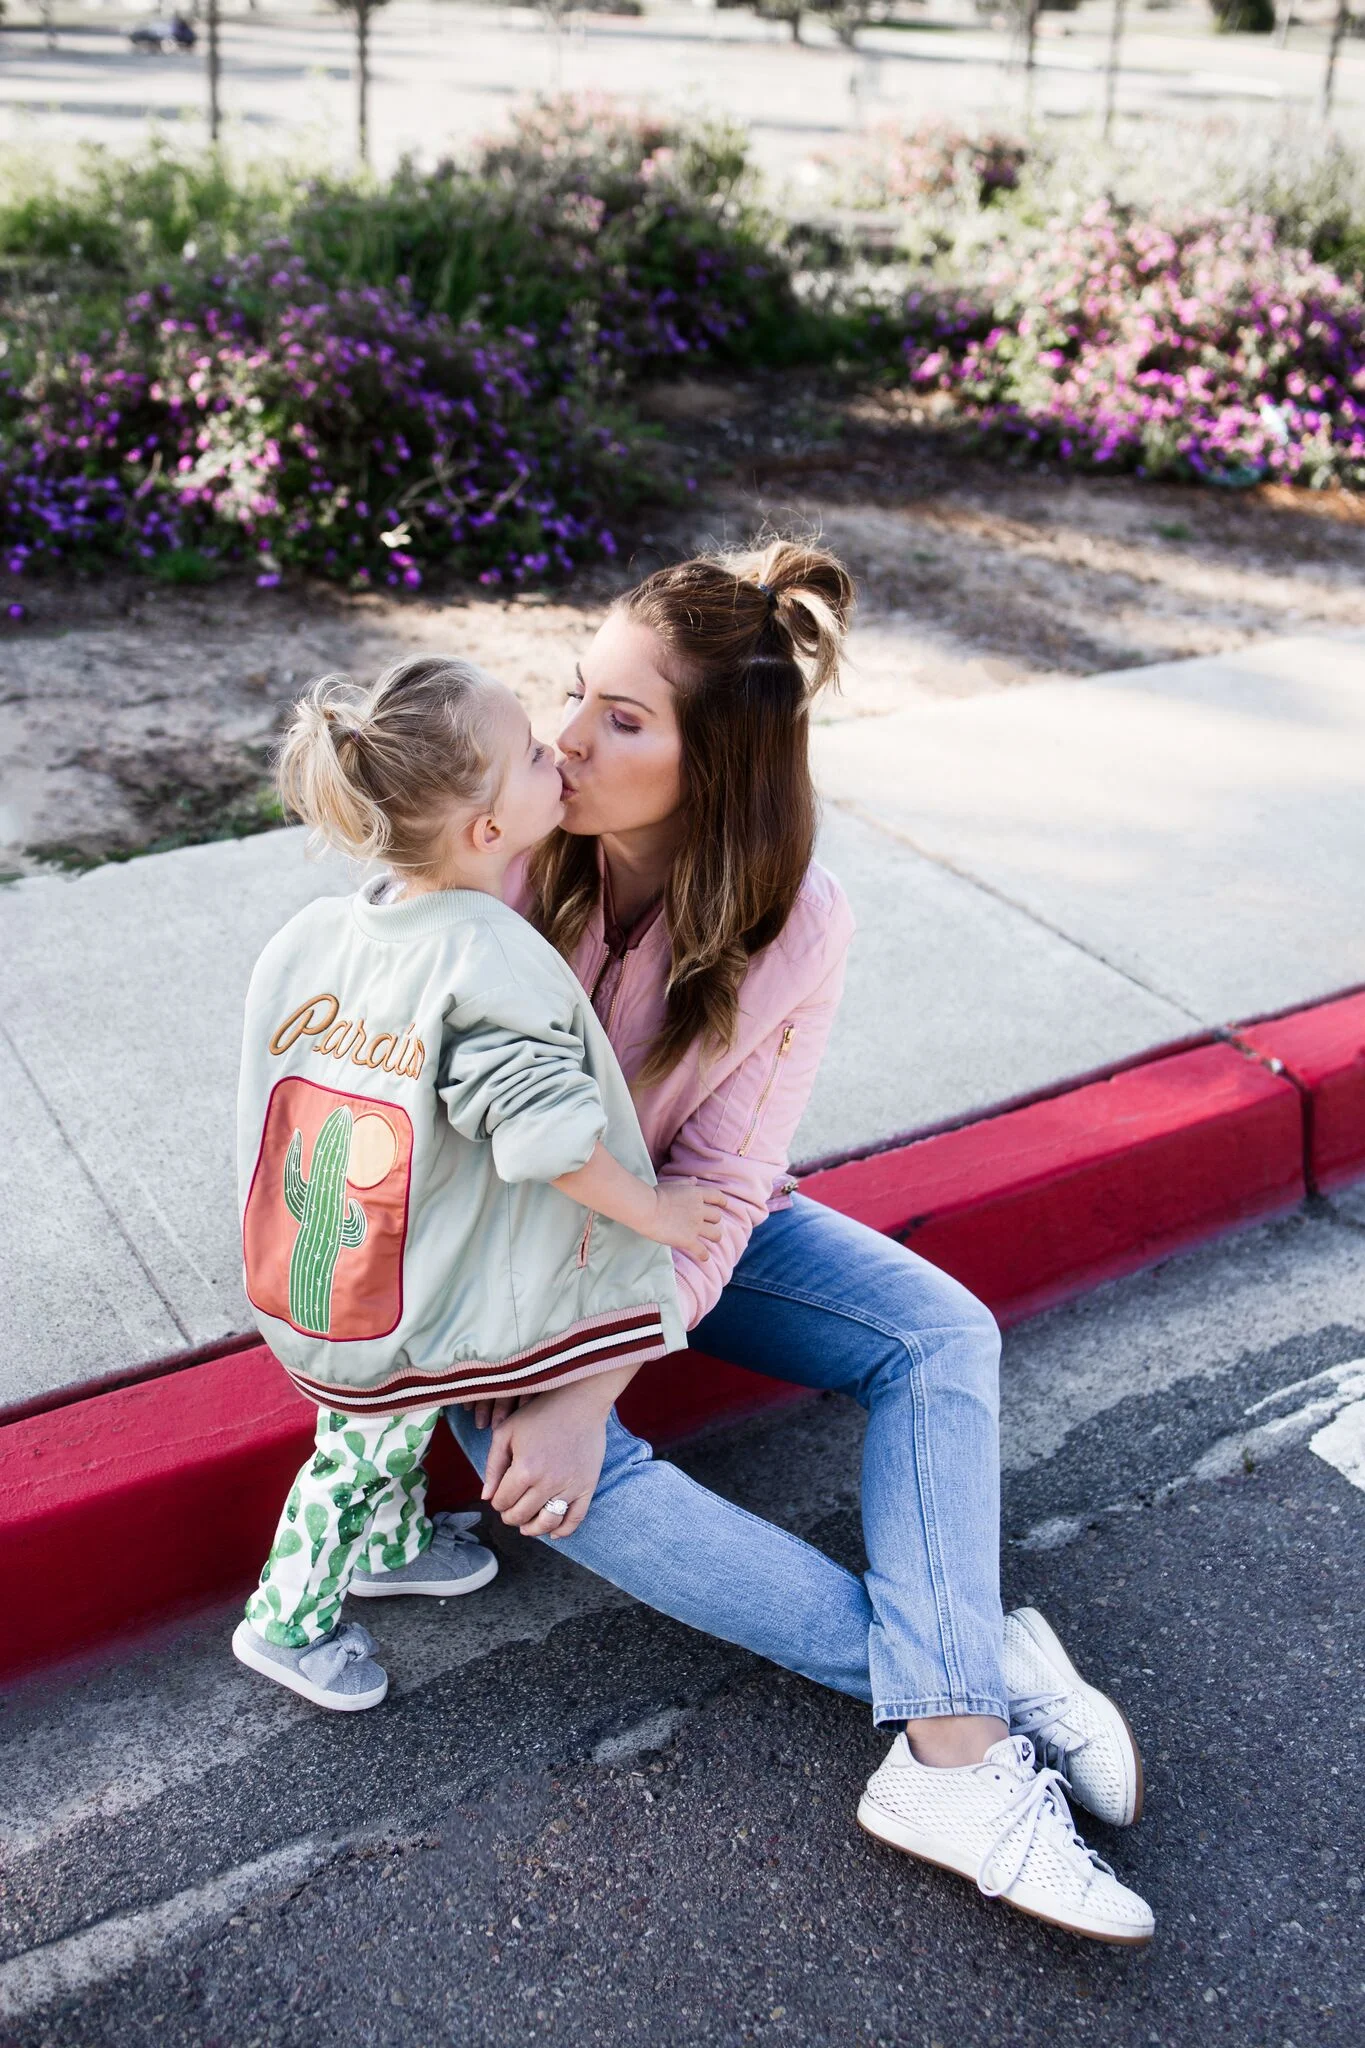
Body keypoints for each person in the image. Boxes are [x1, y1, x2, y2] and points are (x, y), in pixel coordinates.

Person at [366, 540, 1156, 1946]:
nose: (564, 738)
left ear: (712, 764)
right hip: (492, 1262)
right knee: (559, 1482)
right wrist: (547, 1399)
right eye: (573, 692)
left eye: (622, 719)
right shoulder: (509, 844)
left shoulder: (799, 919)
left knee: (939, 1331)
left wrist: (599, 1376)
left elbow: (724, 1189)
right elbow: (430, 1115)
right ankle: (970, 1692)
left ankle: (947, 1745)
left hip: (668, 1224)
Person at [231, 655, 724, 1712]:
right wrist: (658, 1212)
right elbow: (545, 1140)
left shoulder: (341, 929)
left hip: (337, 1263)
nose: (562, 753)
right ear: (487, 832)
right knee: (355, 1454)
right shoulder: (483, 957)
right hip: (396, 1286)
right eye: (538, 756)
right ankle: (287, 1615)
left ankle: (394, 1545)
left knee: (394, 1423)